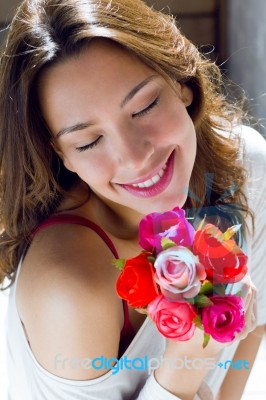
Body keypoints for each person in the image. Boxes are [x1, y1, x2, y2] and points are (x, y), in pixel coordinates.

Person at [0, 0, 265, 399]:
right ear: (62, 155)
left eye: (145, 106)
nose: (134, 156)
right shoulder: (69, 288)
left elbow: (251, 331)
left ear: (180, 80)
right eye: (89, 141)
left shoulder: (249, 170)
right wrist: (181, 369)